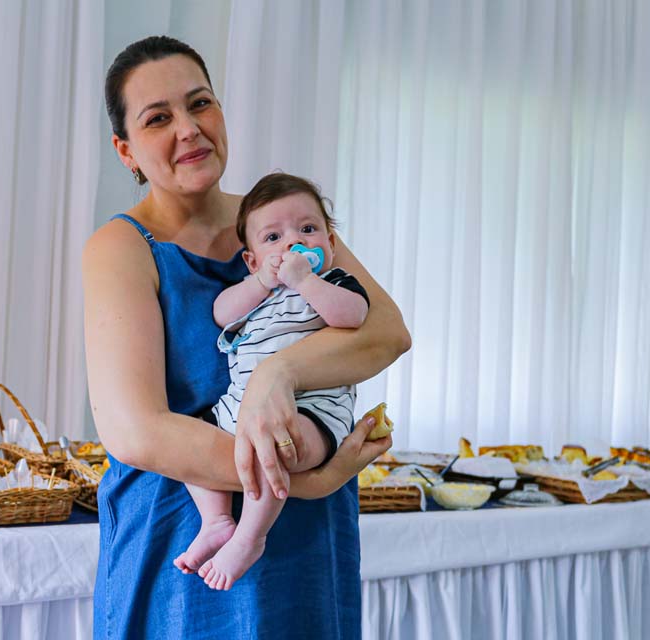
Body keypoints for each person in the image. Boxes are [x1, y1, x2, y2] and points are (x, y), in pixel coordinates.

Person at [83, 35, 411, 639]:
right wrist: (310, 480)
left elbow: (387, 332)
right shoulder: (120, 248)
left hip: (305, 546)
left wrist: (277, 374)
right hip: (182, 544)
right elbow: (136, 433)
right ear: (125, 150)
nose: (189, 129)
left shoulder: (282, 221)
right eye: (158, 118)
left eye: (200, 103)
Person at [175, 172, 371, 591]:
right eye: (273, 238)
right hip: (237, 409)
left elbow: (352, 316)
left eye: (308, 229)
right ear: (251, 260)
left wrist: (305, 281)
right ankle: (216, 520)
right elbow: (221, 312)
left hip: (312, 409)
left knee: (277, 447)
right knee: (187, 444)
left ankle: (250, 537)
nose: (292, 243)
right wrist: (263, 282)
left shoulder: (332, 283)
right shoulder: (256, 295)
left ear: (330, 244)